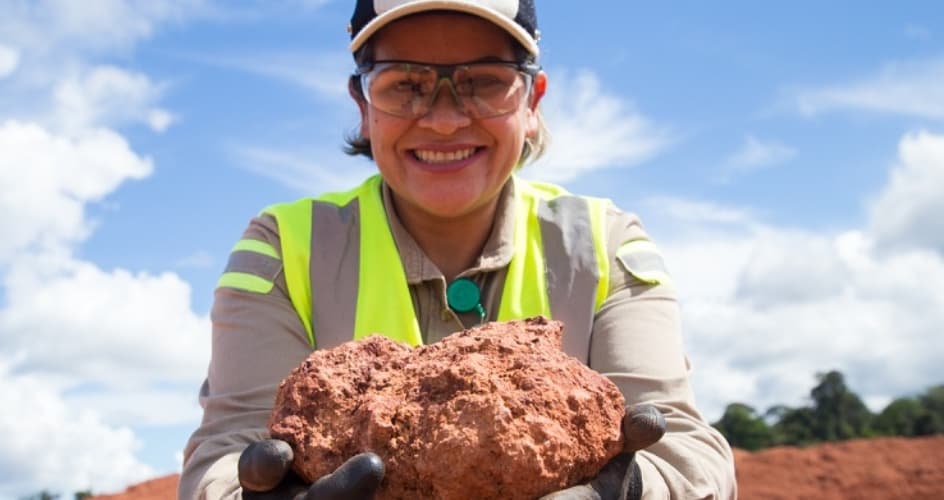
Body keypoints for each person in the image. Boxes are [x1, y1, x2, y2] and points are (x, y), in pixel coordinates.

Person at [180, 0, 737, 498]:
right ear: (363, 104)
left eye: (484, 81)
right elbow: (225, 456)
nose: (445, 120)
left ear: (532, 100)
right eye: (405, 84)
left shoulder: (604, 242)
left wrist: (636, 489)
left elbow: (684, 452)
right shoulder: (284, 248)